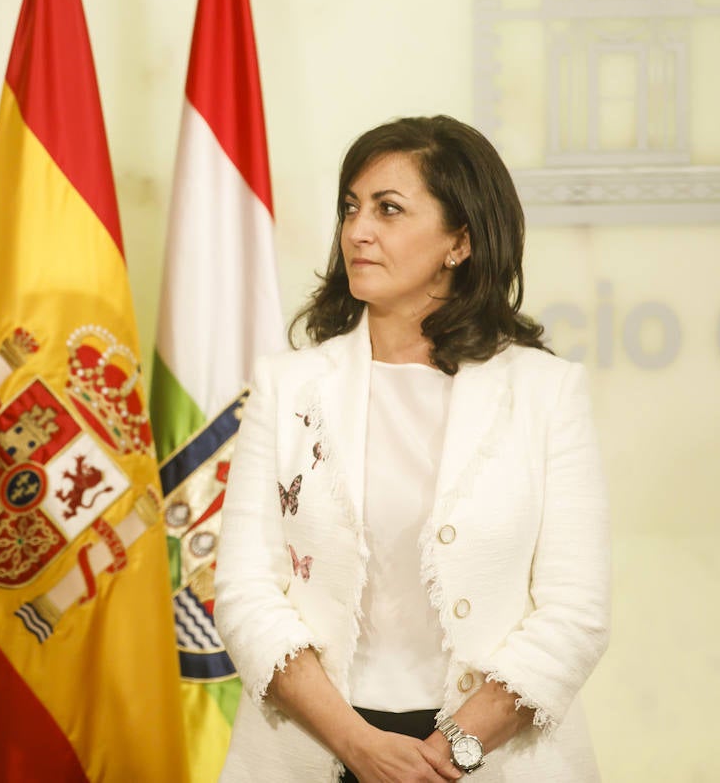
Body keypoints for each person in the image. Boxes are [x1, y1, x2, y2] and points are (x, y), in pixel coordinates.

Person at [214, 115, 610, 782]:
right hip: (316, 749)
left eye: (389, 210)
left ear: (460, 240)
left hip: (494, 755)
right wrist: (358, 745)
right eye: (351, 208)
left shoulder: (546, 392)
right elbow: (244, 591)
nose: (357, 231)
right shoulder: (288, 386)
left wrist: (451, 749)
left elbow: (576, 613)